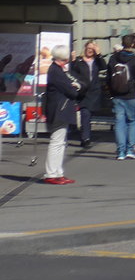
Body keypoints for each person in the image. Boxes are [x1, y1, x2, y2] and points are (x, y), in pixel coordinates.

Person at [42, 45, 82, 184]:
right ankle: (51, 174)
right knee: (56, 142)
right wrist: (75, 87)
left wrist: (74, 86)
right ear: (63, 58)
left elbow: (72, 85)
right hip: (59, 109)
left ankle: (58, 172)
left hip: (61, 109)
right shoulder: (55, 71)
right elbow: (70, 91)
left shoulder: (58, 69)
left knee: (61, 142)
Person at [108, 34, 135, 159]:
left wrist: (111, 93)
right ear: (132, 45)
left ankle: (121, 152)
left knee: (119, 122)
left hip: (116, 95)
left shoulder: (113, 58)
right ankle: (130, 150)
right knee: (132, 121)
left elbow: (108, 78)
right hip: (131, 94)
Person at [69, 40, 106, 148]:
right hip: (83, 92)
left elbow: (104, 67)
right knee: (85, 114)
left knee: (89, 115)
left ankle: (86, 134)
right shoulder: (79, 61)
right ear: (85, 48)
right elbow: (72, 72)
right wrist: (73, 61)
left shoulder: (97, 61)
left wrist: (99, 54)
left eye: (92, 49)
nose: (90, 50)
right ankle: (85, 138)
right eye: (88, 48)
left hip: (94, 92)